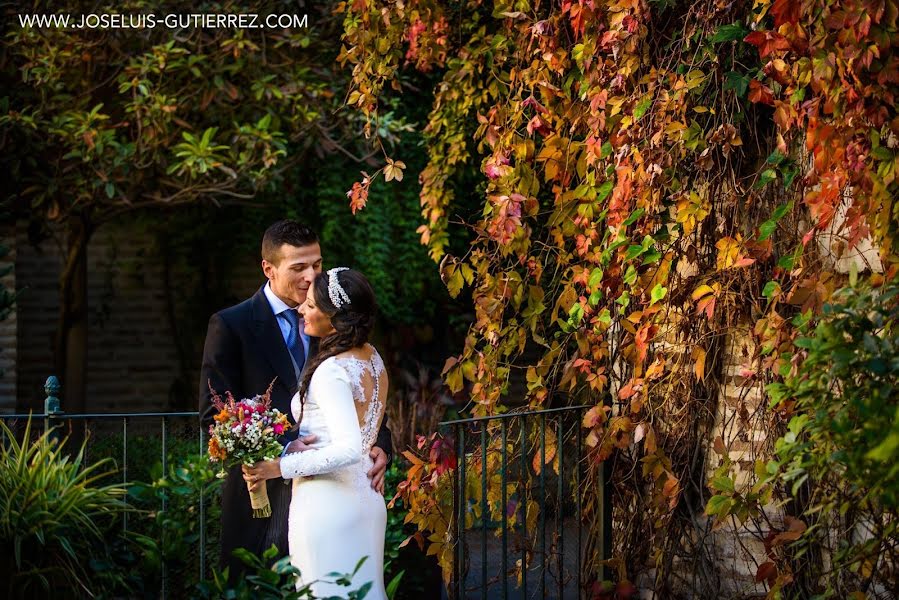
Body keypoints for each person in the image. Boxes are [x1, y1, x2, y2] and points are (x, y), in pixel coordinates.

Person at [198, 221, 391, 579]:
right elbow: (215, 414)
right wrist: (287, 449)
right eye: (298, 267)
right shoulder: (231, 325)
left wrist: (379, 444)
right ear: (268, 269)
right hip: (264, 498)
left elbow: (364, 395)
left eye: (317, 264)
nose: (311, 276)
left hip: (337, 497)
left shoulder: (333, 320)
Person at [243, 268, 388, 599]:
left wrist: (276, 467)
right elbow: (364, 433)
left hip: (328, 504)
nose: (301, 309)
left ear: (334, 316)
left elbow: (349, 448)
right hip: (367, 501)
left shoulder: (332, 371)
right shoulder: (373, 359)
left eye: (310, 304)